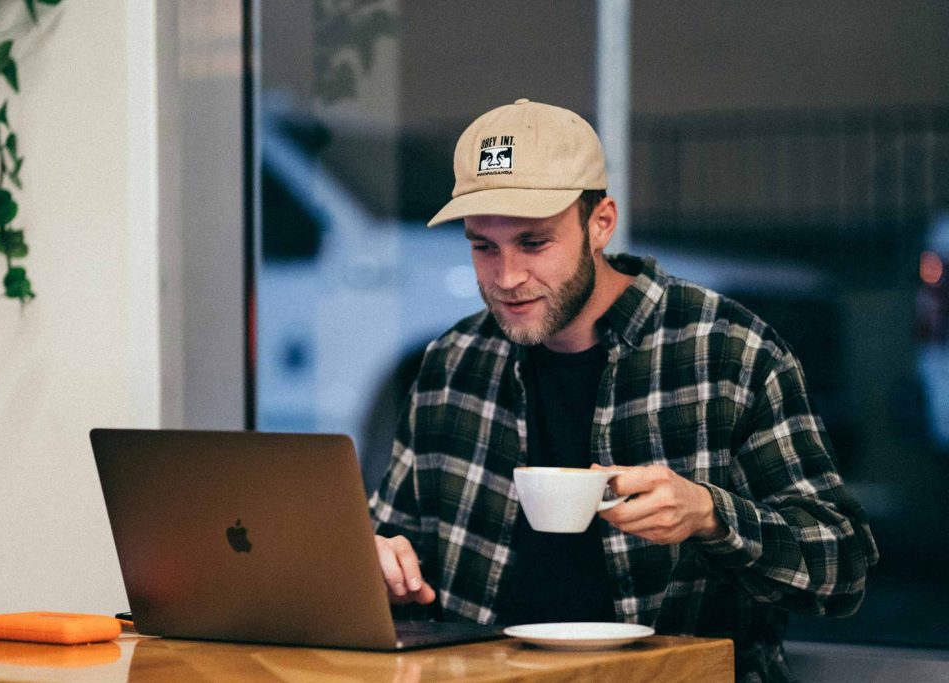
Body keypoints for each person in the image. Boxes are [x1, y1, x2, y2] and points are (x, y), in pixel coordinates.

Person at [370, 98, 878, 682]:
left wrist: (713, 516)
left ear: (600, 223)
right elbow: (391, 543)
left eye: (534, 243)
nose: (506, 278)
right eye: (483, 245)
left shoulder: (728, 352)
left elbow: (844, 568)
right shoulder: (453, 362)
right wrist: (377, 563)